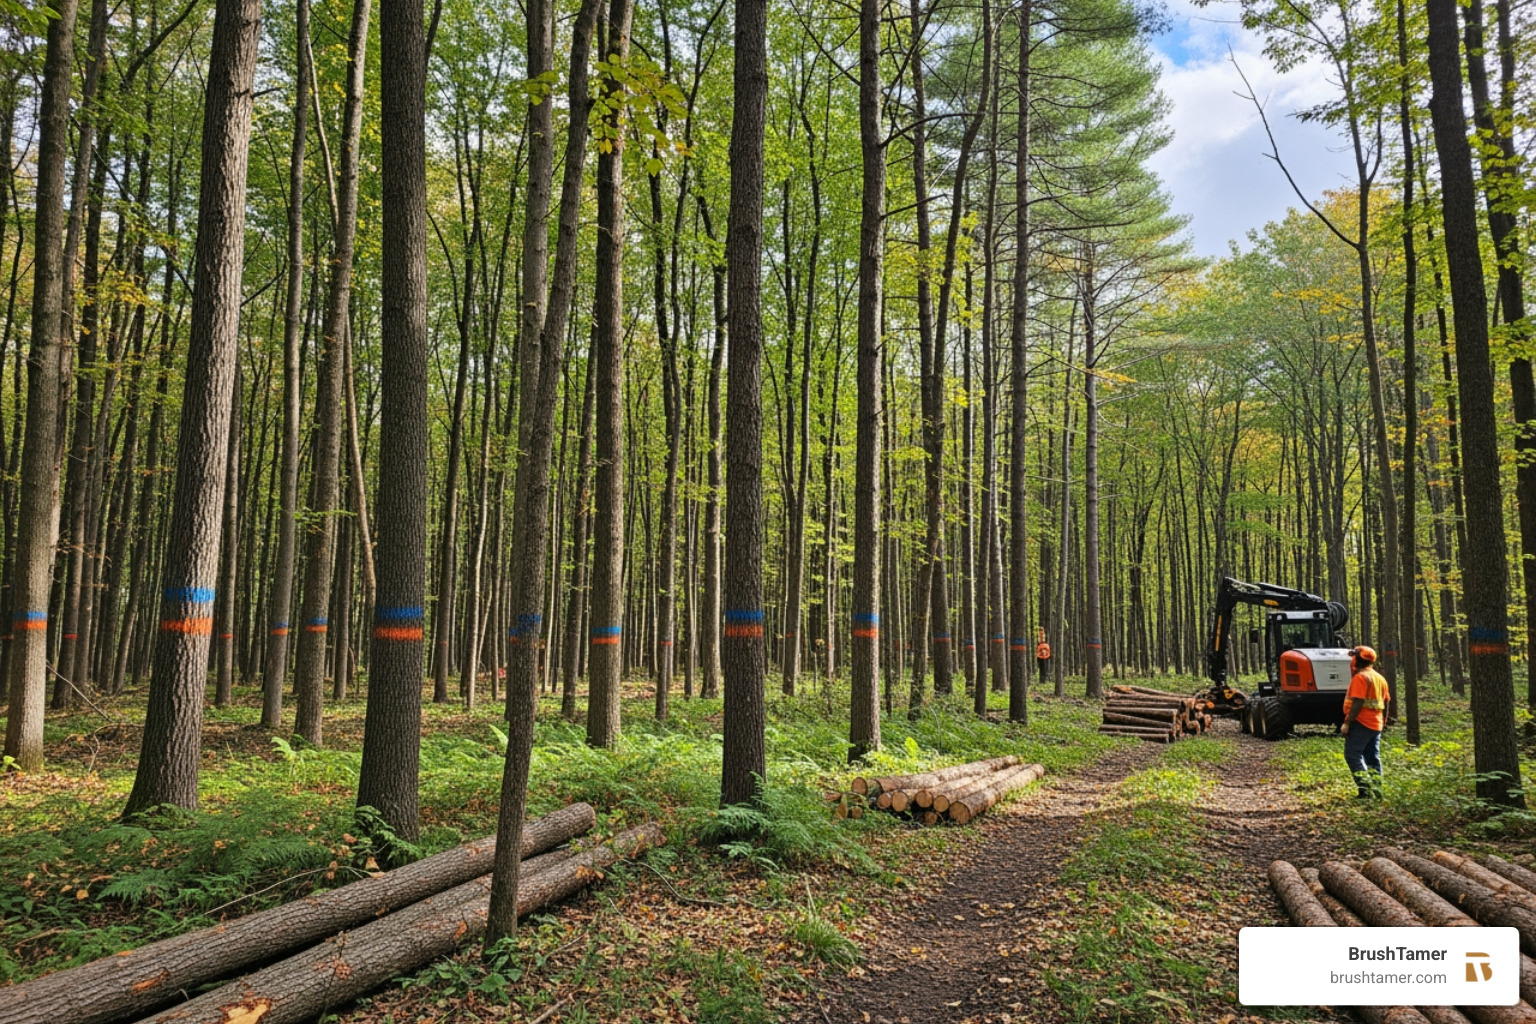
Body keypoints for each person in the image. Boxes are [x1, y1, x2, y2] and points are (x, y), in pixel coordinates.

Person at [1341, 645, 1390, 799]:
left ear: (1358, 660)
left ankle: (1365, 790)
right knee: (1372, 757)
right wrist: (1384, 721)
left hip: (1361, 722)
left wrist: (1347, 722)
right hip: (1376, 724)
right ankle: (1377, 790)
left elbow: (1358, 702)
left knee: (1352, 755)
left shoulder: (1360, 678)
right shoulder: (1379, 678)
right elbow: (1386, 702)